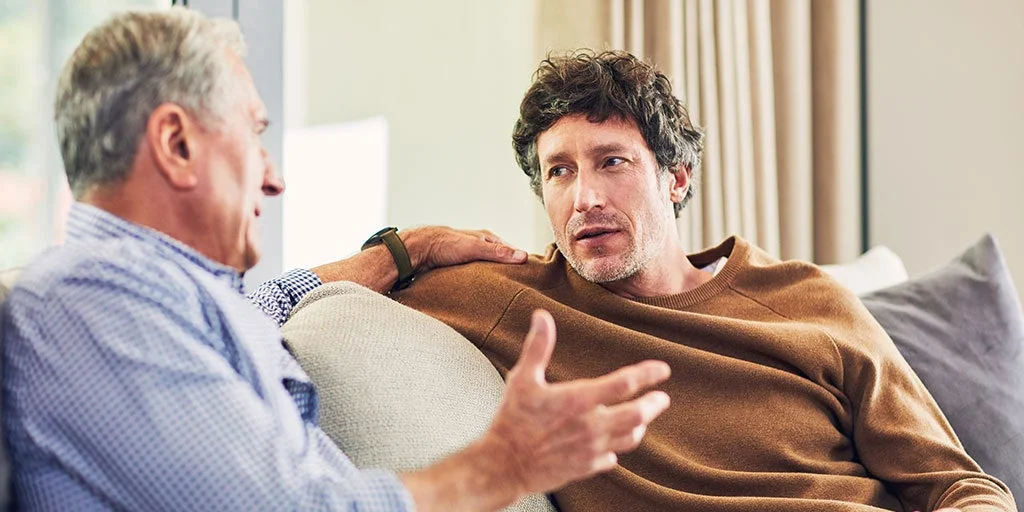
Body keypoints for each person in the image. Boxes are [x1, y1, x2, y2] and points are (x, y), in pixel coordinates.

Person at [0, 10, 675, 511]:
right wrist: (505, 465)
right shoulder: (87, 305)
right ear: (176, 144)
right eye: (255, 135)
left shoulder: (160, 302)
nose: (273, 177)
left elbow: (267, 303)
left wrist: (402, 252)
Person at [392, 50, 1017, 511]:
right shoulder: (513, 301)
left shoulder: (808, 302)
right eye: (559, 172)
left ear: (677, 178)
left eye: (612, 162)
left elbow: (960, 486)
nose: (584, 197)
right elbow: (297, 299)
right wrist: (409, 246)